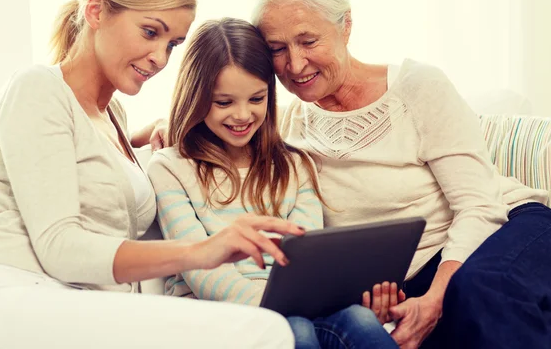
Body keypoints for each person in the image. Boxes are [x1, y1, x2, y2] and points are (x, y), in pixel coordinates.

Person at [0, 0, 307, 348]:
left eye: (172, 44)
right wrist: (201, 251)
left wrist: (146, 136)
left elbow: (92, 161)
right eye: (150, 32)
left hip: (79, 300)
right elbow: (58, 246)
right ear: (95, 11)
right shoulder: (37, 88)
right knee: (264, 330)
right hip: (10, 289)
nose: (160, 58)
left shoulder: (112, 117)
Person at [248, 0, 551, 349]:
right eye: (277, 48)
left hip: (506, 229)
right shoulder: (284, 126)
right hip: (420, 276)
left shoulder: (416, 87)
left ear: (345, 26)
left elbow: (480, 206)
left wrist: (437, 297)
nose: (294, 63)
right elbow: (223, 113)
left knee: (477, 294)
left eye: (308, 41)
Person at [146, 17, 401, 349]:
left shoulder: (294, 166)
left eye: (256, 99)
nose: (242, 115)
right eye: (224, 102)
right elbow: (201, 270)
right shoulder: (171, 168)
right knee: (295, 331)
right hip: (216, 316)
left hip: (297, 309)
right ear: (196, 96)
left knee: (361, 320)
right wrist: (276, 309)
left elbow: (306, 259)